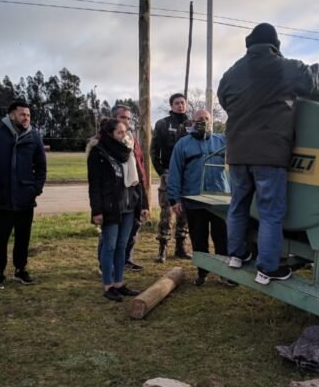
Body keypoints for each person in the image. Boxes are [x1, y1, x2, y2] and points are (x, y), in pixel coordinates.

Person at [218, 22, 319, 285]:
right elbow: (314, 78)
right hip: (269, 153)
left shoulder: (230, 74)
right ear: (275, 45)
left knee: (237, 204)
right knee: (270, 212)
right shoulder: (282, 68)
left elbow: (225, 99)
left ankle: (236, 255)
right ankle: (267, 268)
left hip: (236, 152)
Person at [0, 100, 46, 290]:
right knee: (0, 239)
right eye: (22, 114)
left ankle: (20, 269)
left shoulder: (34, 137)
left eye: (28, 115)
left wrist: (36, 188)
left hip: (26, 199)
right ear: (11, 115)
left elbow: (41, 167)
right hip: (2, 199)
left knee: (23, 238)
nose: (26, 118)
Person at [166, 109, 234, 287]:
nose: (203, 122)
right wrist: (174, 199)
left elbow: (235, 169)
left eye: (206, 119)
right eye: (199, 119)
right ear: (193, 122)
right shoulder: (183, 145)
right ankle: (202, 272)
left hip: (220, 199)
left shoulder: (222, 142)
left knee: (223, 238)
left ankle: (224, 273)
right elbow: (175, 173)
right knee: (199, 238)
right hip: (194, 200)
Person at [88, 118, 148, 301]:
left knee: (122, 246)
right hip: (110, 208)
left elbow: (139, 182)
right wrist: (96, 211)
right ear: (109, 134)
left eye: (125, 132)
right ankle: (108, 285)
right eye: (119, 133)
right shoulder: (98, 153)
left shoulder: (129, 151)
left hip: (129, 206)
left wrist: (143, 204)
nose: (124, 136)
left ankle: (119, 283)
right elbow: (94, 185)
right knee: (110, 246)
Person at [151, 92, 191, 262]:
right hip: (169, 171)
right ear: (171, 105)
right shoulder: (162, 124)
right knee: (167, 211)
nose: (180, 105)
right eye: (177, 103)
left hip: (188, 174)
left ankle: (180, 246)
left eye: (182, 102)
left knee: (185, 211)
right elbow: (154, 149)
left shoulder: (192, 124)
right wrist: (161, 170)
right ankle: (163, 247)